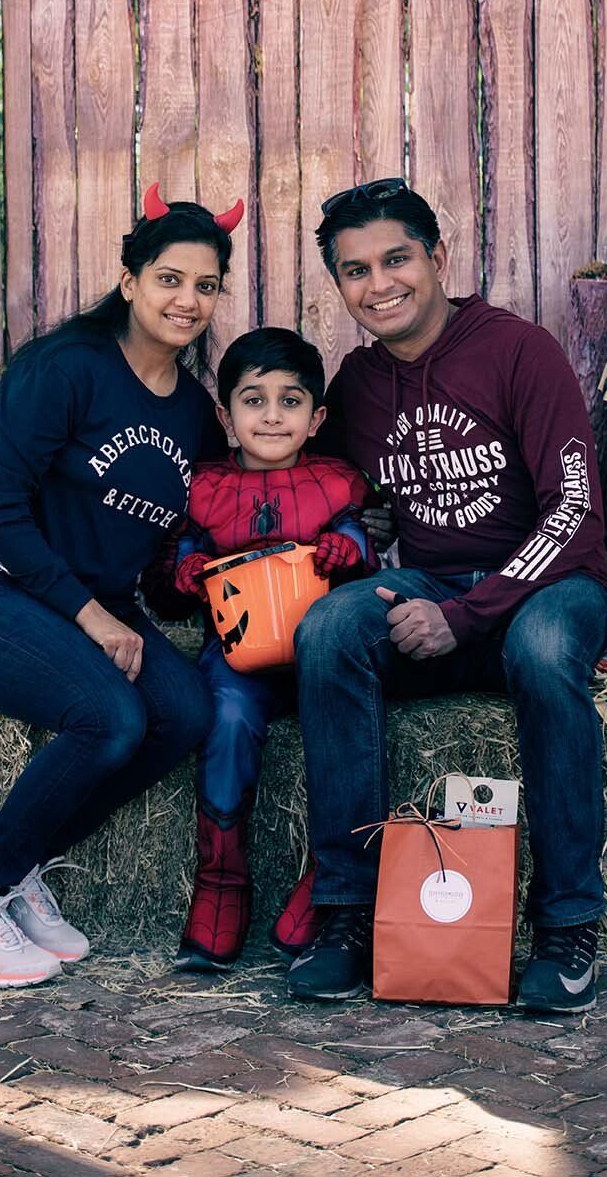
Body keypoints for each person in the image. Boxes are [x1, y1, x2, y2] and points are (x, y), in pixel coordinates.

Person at [287, 179, 607, 1012]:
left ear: (437, 259)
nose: (379, 284)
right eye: (355, 271)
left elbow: (575, 511)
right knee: (329, 629)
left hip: (551, 581)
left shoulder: (516, 350)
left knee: (541, 651)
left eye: (396, 259)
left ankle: (566, 927)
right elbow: (320, 486)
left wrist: (466, 616)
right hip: (430, 581)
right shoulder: (358, 387)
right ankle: (347, 915)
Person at [0, 184, 242, 987]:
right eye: (170, 278)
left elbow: (163, 549)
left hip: (96, 604)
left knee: (187, 714)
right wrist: (93, 617)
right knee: (109, 718)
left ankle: (21, 863)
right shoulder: (66, 370)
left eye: (206, 286)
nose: (188, 300)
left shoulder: (195, 416)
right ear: (130, 280)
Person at [169, 326, 371, 973]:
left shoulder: (333, 485)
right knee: (223, 721)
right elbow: (174, 567)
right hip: (237, 657)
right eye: (254, 400)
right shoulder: (207, 489)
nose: (272, 416)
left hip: (317, 659)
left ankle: (326, 878)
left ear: (316, 418)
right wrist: (186, 567)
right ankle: (221, 882)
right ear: (226, 414)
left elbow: (362, 548)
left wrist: (349, 553)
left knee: (340, 734)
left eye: (290, 401)